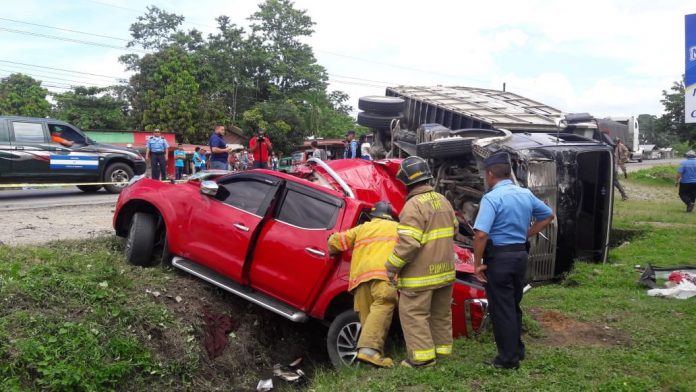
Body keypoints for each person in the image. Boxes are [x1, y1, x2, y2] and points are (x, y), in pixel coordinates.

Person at [472, 152, 555, 370]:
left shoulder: (492, 198)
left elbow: (480, 235)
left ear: (490, 174)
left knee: (502, 308)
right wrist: (526, 234)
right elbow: (548, 216)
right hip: (520, 256)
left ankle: (508, 359)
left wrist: (477, 263)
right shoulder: (524, 194)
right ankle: (517, 349)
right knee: (513, 304)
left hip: (499, 259)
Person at [384, 156, 458, 368]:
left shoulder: (412, 206)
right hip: (445, 271)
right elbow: (453, 230)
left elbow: (409, 245)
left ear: (406, 181)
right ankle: (442, 352)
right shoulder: (443, 201)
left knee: (414, 314)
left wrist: (391, 267)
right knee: (440, 314)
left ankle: (422, 359)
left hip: (420, 276)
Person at [328, 202, 399, 368]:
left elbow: (335, 242)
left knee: (368, 319)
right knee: (384, 305)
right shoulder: (397, 228)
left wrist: (330, 243)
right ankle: (369, 352)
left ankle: (371, 360)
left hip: (360, 280)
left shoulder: (362, 229)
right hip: (383, 275)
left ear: (373, 216)